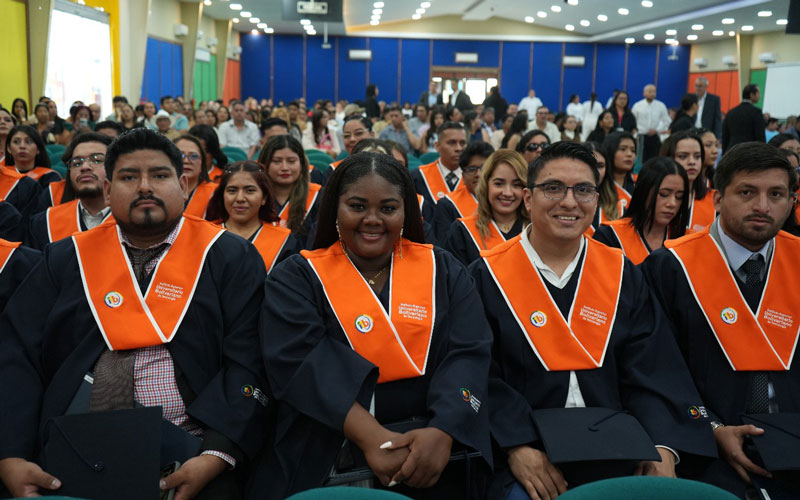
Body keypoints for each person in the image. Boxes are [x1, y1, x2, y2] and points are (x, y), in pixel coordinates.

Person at [0, 128, 270, 499]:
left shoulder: (229, 258)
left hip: (191, 450)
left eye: (159, 175)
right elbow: (17, 356)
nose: (145, 187)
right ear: (108, 190)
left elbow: (249, 361)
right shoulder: (64, 259)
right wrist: (10, 454)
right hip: (70, 447)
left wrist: (216, 453)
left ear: (184, 183)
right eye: (129, 177)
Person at [469, 142, 716, 500]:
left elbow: (655, 368)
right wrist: (516, 446)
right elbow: (480, 375)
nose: (570, 202)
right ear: (527, 198)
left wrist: (663, 445)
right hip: (530, 451)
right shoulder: (485, 275)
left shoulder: (621, 274)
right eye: (553, 188)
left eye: (584, 190)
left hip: (621, 447)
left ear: (597, 199)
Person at [256, 151, 492, 499]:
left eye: (388, 208)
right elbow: (299, 364)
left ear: (405, 211)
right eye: (357, 206)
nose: (372, 219)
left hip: (434, 446)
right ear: (334, 208)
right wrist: (372, 438)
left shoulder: (443, 269)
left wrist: (444, 429)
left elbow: (468, 352)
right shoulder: (297, 277)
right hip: (331, 445)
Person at [642, 142, 800, 498]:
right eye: (747, 192)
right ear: (716, 198)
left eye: (776, 194)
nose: (762, 206)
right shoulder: (669, 268)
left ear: (791, 202)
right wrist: (710, 428)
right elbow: (659, 373)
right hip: (705, 443)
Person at [205, 161, 298, 273]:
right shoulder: (206, 236)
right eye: (232, 190)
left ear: (264, 197)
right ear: (222, 196)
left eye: (250, 190)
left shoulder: (285, 242)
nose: (240, 198)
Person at [594, 157, 689, 264]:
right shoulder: (610, 235)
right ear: (643, 192)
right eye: (664, 194)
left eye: (679, 197)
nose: (672, 203)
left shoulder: (688, 239)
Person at [27, 133, 113, 249]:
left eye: (97, 160)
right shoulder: (44, 223)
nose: (85, 167)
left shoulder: (136, 220)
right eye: (77, 163)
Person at [444, 149, 527, 265]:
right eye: (499, 183)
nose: (508, 193)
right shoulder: (462, 232)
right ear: (486, 186)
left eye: (517, 185)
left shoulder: (537, 230)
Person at [257, 135, 319, 248]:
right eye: (277, 161)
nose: (284, 167)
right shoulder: (255, 197)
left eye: (291, 161)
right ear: (264, 164)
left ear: (301, 164)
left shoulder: (318, 197)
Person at [433, 141, 493, 240]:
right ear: (463, 176)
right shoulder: (447, 205)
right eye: (472, 169)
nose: (478, 174)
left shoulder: (503, 202)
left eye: (484, 168)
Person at [661, 131, 715, 231]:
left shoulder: (715, 199)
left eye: (697, 156)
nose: (692, 162)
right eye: (683, 156)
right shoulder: (654, 197)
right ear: (668, 159)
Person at [412, 122, 467, 207]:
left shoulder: (476, 178)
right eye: (452, 143)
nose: (459, 148)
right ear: (437, 146)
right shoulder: (418, 177)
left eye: (462, 143)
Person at [632, 85, 671, 162]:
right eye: (650, 91)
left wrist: (657, 130)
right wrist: (635, 131)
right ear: (644, 93)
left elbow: (667, 121)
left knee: (654, 160)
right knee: (640, 159)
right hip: (641, 136)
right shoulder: (638, 105)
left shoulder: (661, 105)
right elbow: (633, 120)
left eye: (654, 92)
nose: (652, 94)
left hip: (655, 136)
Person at [722, 84, 766, 152]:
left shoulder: (730, 112)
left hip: (731, 151)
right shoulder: (756, 112)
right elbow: (760, 136)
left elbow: (725, 136)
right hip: (749, 152)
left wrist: (724, 153)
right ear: (752, 95)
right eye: (758, 93)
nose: (759, 96)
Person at [604, 132, 637, 210]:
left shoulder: (640, 182)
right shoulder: (599, 183)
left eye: (633, 151)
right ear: (610, 151)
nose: (629, 154)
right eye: (623, 149)